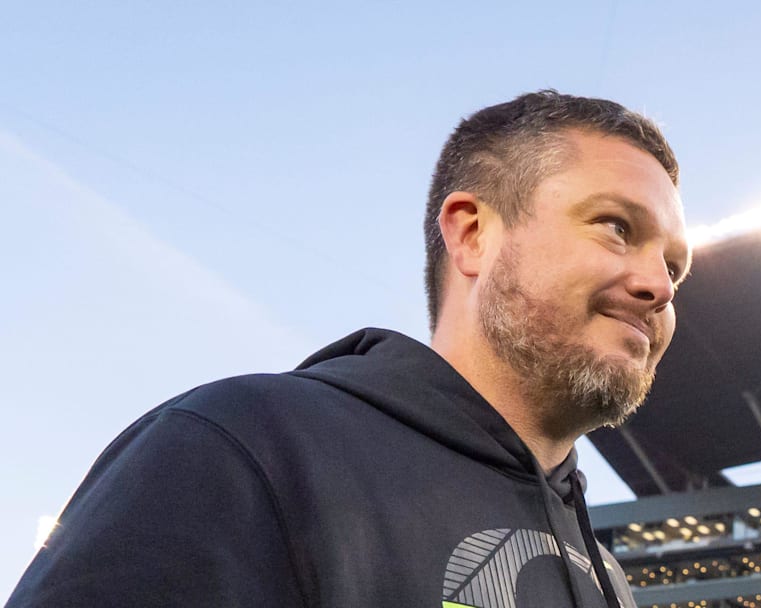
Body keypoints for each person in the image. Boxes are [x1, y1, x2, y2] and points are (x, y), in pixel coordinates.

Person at [8, 90, 691, 608]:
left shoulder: (611, 582)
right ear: (473, 234)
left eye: (674, 267)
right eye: (614, 226)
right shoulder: (240, 448)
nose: (657, 286)